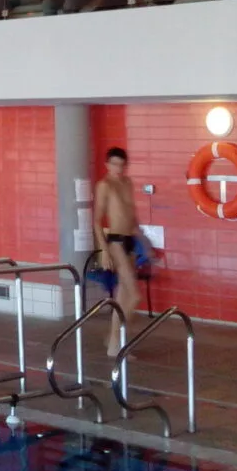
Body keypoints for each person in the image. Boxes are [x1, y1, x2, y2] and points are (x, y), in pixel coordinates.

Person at [93, 148, 150, 357]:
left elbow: (131, 215)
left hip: (129, 241)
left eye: (122, 165)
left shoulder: (127, 183)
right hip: (115, 242)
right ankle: (116, 340)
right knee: (134, 296)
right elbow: (97, 221)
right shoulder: (104, 185)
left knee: (123, 295)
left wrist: (144, 241)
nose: (118, 169)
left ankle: (112, 338)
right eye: (114, 164)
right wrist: (103, 250)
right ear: (107, 165)